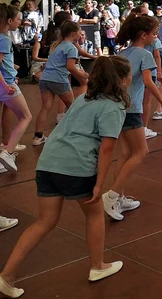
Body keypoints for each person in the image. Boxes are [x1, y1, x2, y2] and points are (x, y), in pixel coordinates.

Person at [0, 56, 131, 298]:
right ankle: (97, 266)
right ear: (123, 80)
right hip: (77, 166)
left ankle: (6, 276)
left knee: (44, 221)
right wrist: (100, 183)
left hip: (48, 163)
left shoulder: (83, 98)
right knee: (94, 213)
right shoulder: (114, 107)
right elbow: (106, 148)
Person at [102, 15, 162, 221]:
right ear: (144, 35)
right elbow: (149, 82)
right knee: (141, 151)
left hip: (118, 107)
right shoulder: (145, 54)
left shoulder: (123, 53)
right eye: (154, 34)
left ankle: (119, 197)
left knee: (124, 153)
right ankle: (112, 194)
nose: (155, 37)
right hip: (131, 109)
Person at [32, 21, 88, 146]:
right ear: (73, 34)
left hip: (45, 78)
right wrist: (82, 74)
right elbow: (70, 67)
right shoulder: (71, 48)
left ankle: (37, 136)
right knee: (72, 106)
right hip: (58, 80)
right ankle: (74, 134)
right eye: (79, 32)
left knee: (46, 107)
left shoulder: (57, 46)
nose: (81, 34)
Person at [0, 4, 32, 172]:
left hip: (6, 82)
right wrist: (6, 85)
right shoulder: (4, 39)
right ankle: (8, 152)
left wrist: (11, 68)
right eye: (18, 19)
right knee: (26, 116)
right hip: (6, 85)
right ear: (9, 20)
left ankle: (5, 146)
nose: (20, 21)